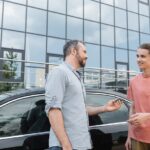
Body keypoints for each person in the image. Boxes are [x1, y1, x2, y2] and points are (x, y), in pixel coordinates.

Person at [45, 40, 122, 150]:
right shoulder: (59, 72)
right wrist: (66, 145)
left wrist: (105, 108)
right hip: (66, 146)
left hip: (81, 144)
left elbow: (81, 109)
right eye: (84, 52)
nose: (87, 56)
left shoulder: (75, 76)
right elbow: (53, 110)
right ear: (73, 51)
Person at [125, 43, 150, 150]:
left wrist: (147, 116)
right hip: (137, 138)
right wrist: (129, 135)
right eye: (137, 56)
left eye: (143, 56)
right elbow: (133, 108)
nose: (138, 59)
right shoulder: (133, 81)